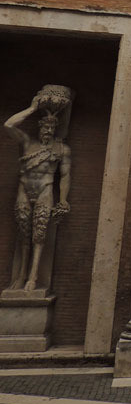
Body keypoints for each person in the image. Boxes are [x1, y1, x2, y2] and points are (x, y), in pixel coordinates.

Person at [4, 90, 72, 292]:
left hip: (45, 188)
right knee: (24, 234)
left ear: (55, 130)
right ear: (40, 127)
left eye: (51, 127)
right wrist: (33, 108)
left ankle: (33, 277)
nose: (48, 130)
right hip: (24, 187)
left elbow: (66, 175)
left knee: (40, 233)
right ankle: (21, 275)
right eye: (45, 127)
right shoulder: (28, 143)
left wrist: (64, 200)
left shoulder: (61, 150)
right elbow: (8, 125)